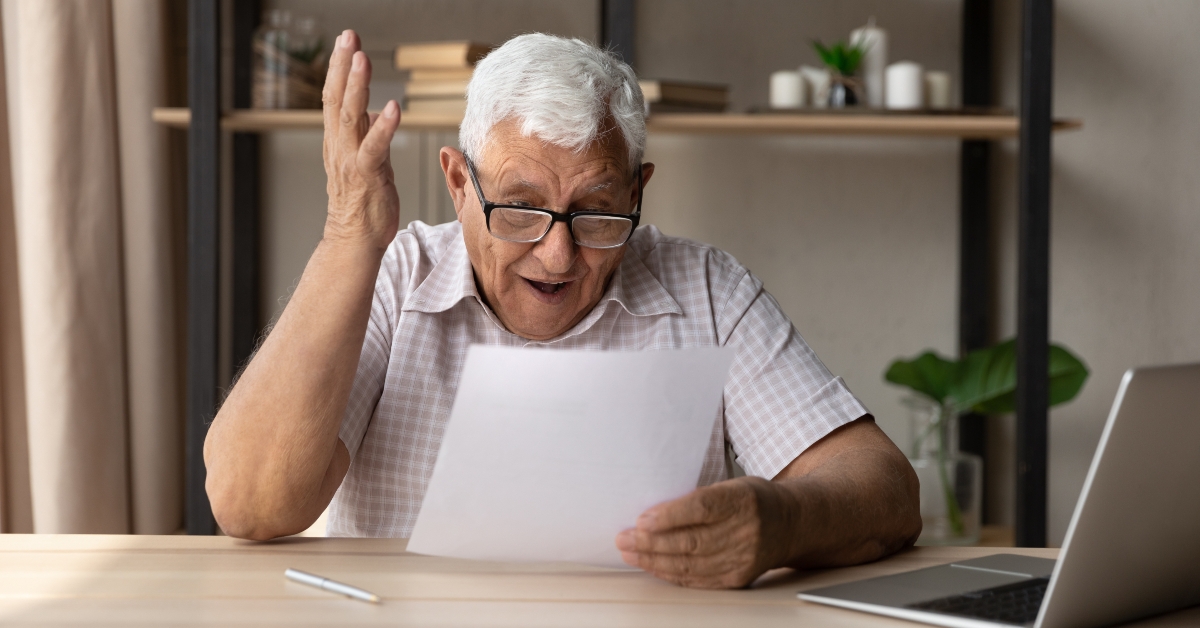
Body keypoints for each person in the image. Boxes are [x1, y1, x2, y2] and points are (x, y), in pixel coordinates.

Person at [204, 29, 920, 590]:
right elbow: (249, 503)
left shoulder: (707, 288)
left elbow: (885, 488)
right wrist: (348, 235)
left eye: (599, 212)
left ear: (639, 192)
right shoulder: (395, 276)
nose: (557, 255)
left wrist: (783, 522)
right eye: (518, 207)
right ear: (458, 183)